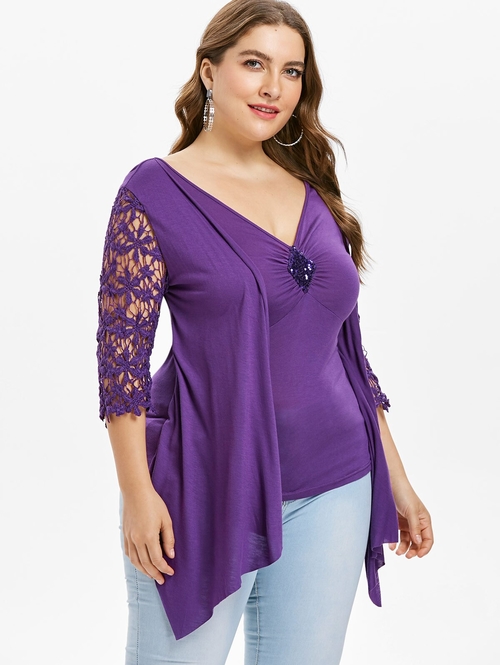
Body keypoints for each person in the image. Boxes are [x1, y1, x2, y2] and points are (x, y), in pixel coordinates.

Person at [96, 1, 434, 663]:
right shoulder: (153, 192)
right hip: (205, 485)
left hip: (336, 482)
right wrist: (137, 493)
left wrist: (397, 477)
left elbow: (347, 351)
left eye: (292, 71)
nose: (274, 87)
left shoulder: (310, 188)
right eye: (254, 63)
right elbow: (121, 362)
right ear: (209, 71)